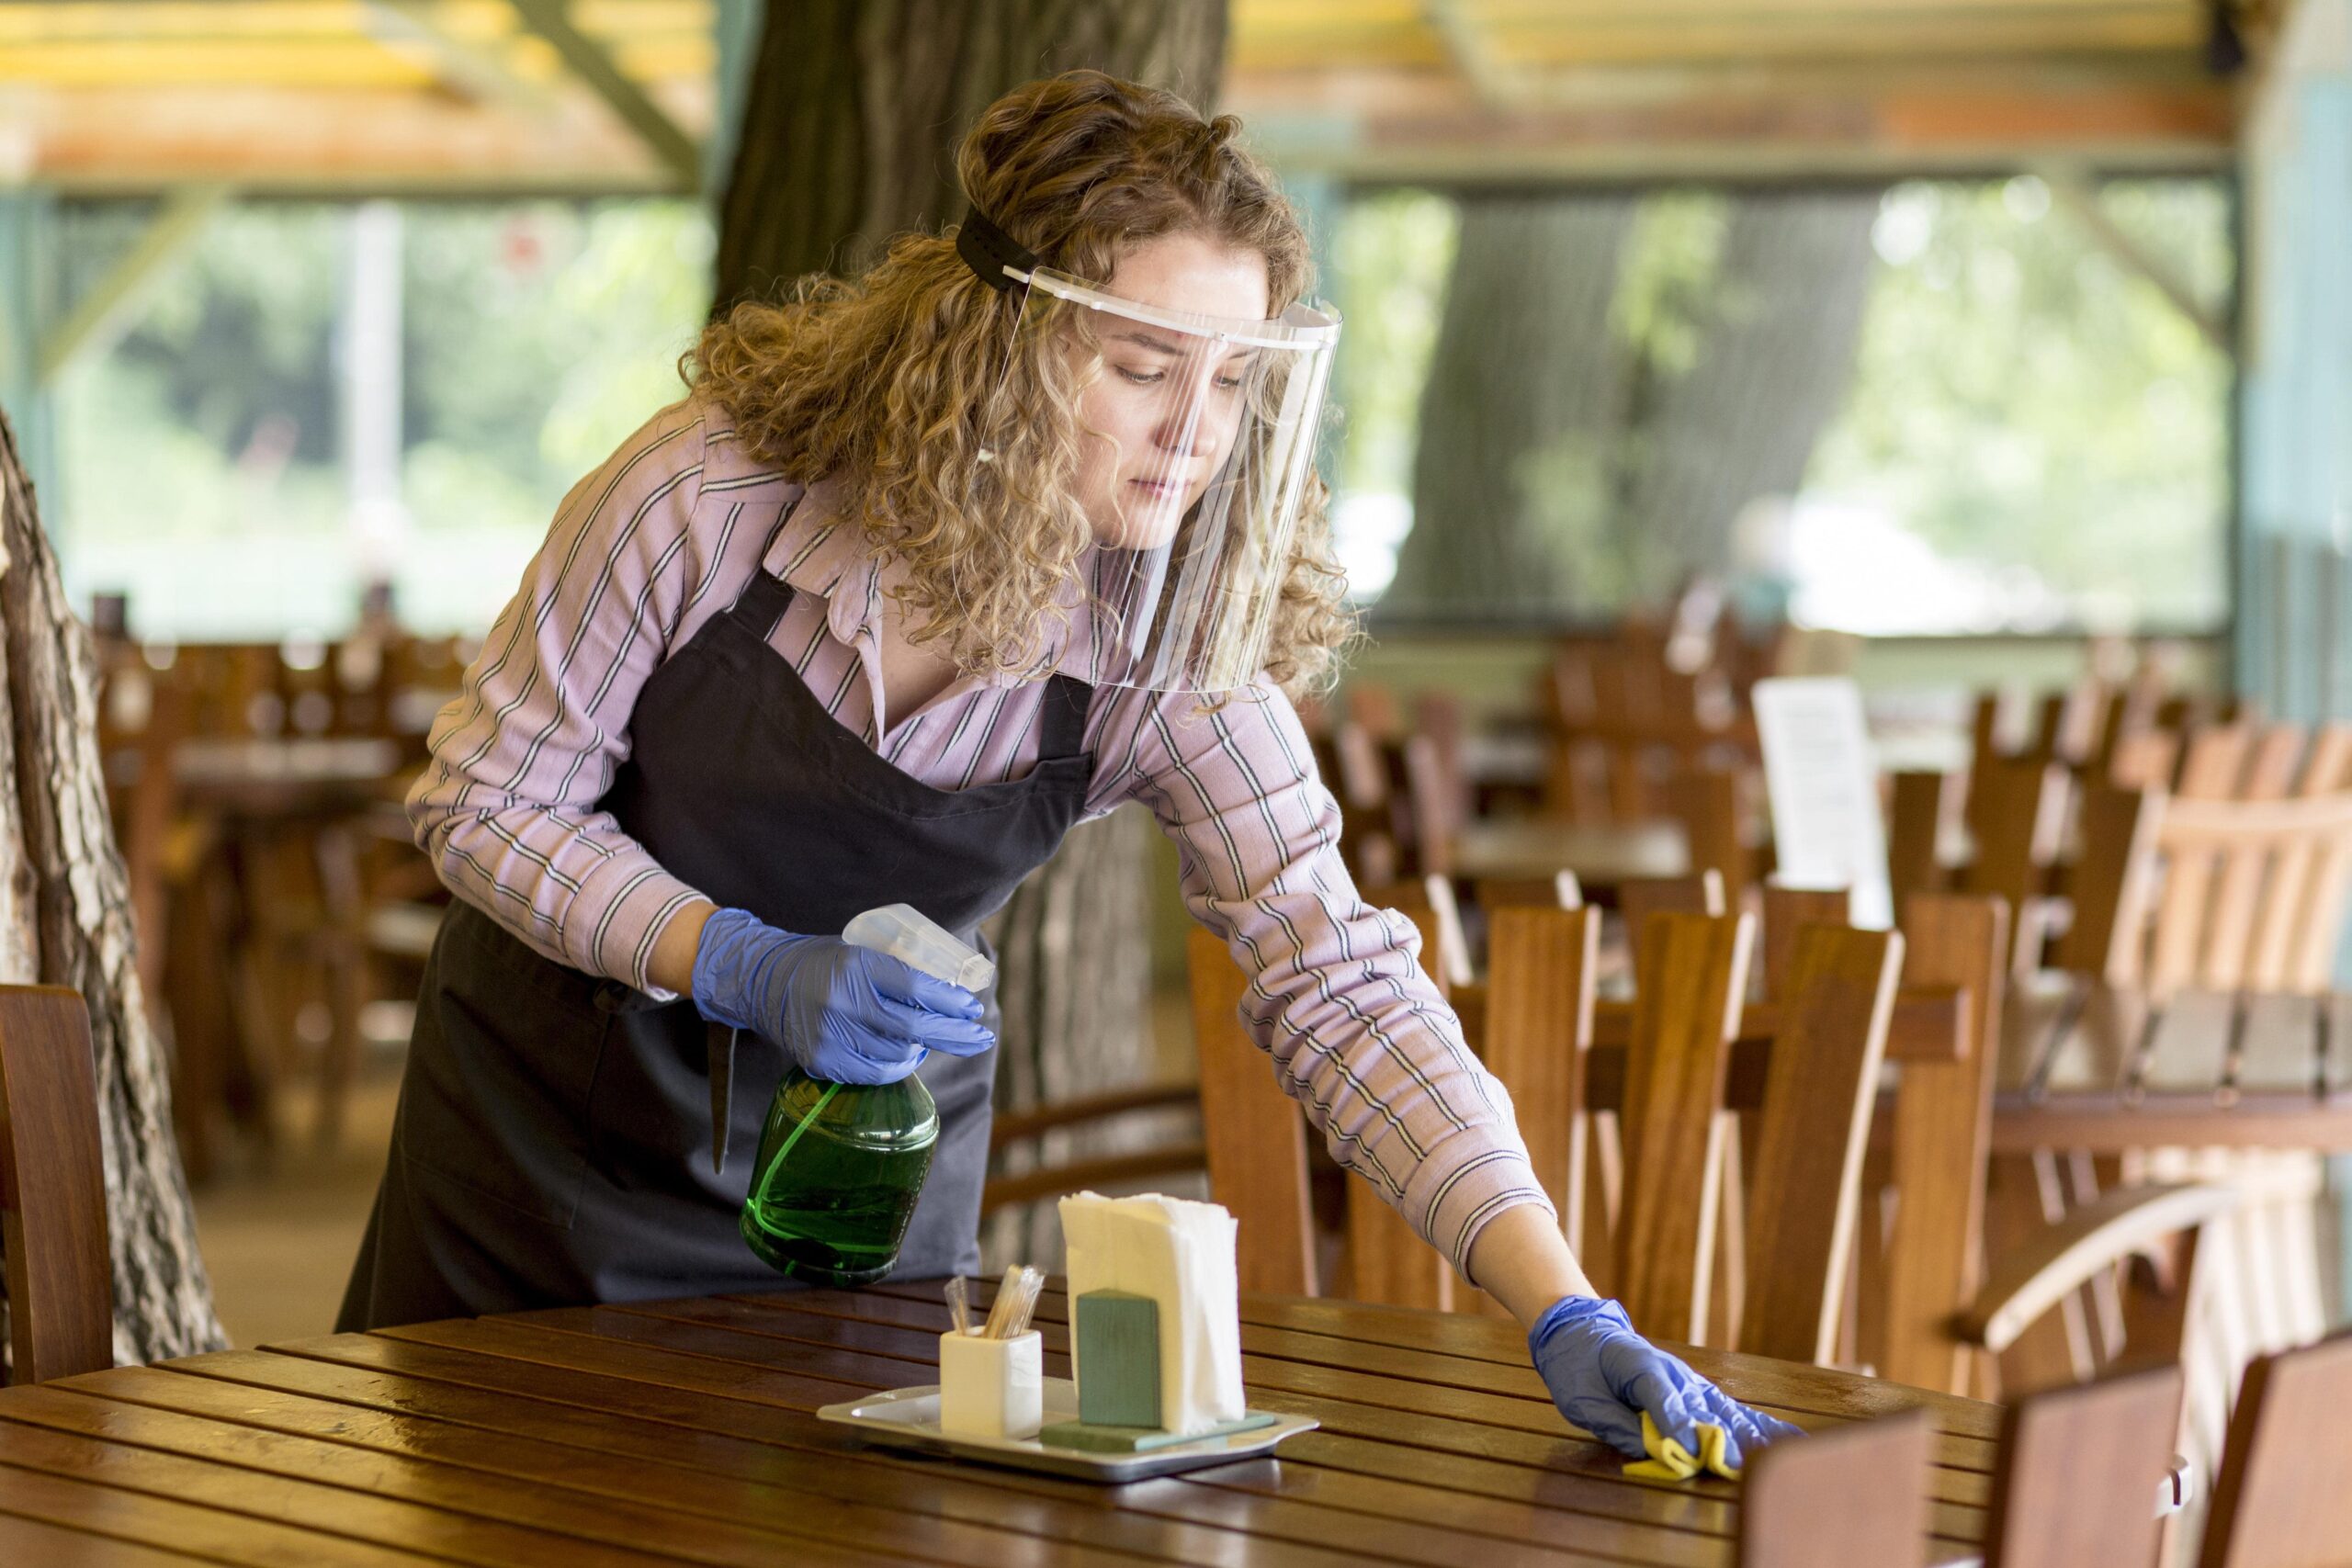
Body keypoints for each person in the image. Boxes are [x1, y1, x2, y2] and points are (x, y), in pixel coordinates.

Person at [337, 68, 1799, 1470]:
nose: (1194, 435)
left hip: (865, 1195)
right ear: (992, 344)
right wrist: (732, 960)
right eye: (1147, 367)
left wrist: (1557, 1297)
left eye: (1232, 384)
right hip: (538, 1165)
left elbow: (1332, 972)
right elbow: (484, 801)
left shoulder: (1169, 642)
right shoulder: (705, 498)